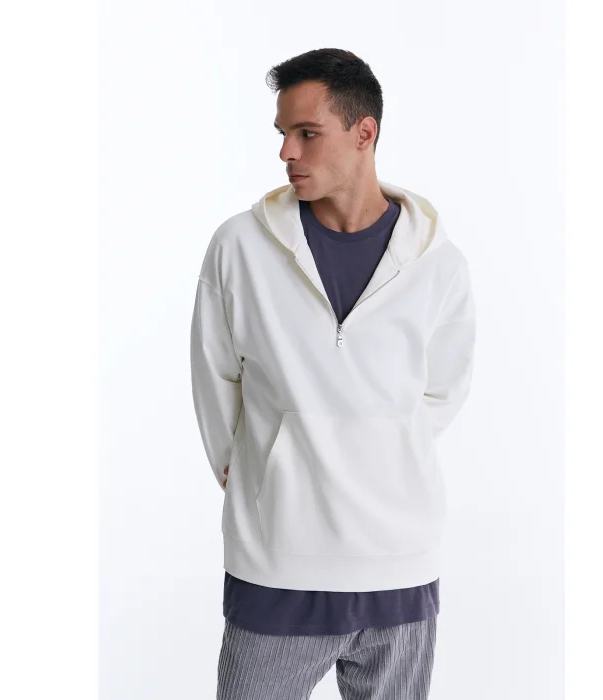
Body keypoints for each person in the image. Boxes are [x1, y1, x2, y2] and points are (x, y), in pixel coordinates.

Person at [190, 48, 477, 700]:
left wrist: (377, 450)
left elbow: (443, 390)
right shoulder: (240, 246)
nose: (286, 152)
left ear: (364, 132)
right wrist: (266, 468)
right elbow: (214, 375)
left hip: (399, 563)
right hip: (277, 559)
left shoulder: (439, 264)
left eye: (307, 133)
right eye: (282, 133)